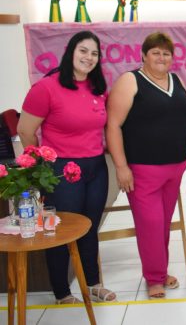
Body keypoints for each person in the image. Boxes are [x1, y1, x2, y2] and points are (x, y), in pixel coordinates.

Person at [17, 31, 116, 304]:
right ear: (70, 51)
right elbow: (25, 130)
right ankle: (61, 291)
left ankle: (93, 284)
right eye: (83, 50)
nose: (89, 57)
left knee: (90, 227)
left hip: (96, 167)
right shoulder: (46, 88)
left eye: (94, 53)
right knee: (61, 229)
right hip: (62, 169)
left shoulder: (97, 88)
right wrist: (40, 167)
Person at [106, 32, 186, 299]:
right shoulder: (130, 80)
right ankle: (154, 278)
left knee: (163, 224)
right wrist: (121, 167)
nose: (161, 57)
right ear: (143, 55)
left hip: (175, 168)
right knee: (150, 225)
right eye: (156, 52)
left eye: (166, 53)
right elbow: (113, 125)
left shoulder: (176, 80)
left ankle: (160, 271)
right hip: (143, 170)